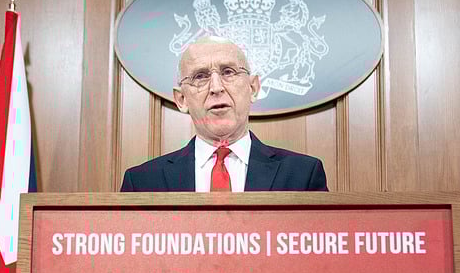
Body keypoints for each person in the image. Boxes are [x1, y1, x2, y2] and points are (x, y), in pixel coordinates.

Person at [120, 37, 328, 192]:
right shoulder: (141, 182)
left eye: (228, 72)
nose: (216, 87)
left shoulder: (303, 175)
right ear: (181, 99)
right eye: (200, 76)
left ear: (253, 88)